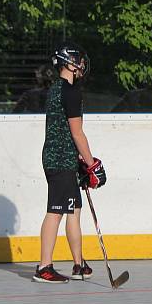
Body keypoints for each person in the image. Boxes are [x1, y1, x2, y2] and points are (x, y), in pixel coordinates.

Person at [34, 43, 106, 284]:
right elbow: (77, 133)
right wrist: (91, 164)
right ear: (68, 63)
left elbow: (63, 129)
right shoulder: (71, 92)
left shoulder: (56, 88)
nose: (82, 64)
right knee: (55, 212)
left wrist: (81, 162)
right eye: (78, 60)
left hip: (63, 156)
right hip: (60, 159)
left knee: (73, 209)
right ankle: (44, 266)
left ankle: (78, 264)